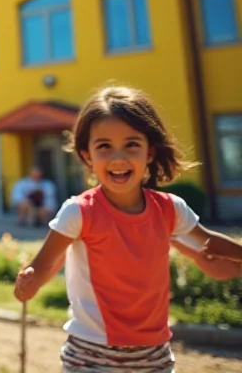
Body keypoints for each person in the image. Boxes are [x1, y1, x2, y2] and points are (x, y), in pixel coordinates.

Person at [14, 86, 242, 372]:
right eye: (104, 146)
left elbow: (209, 244)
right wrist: (28, 285)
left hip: (154, 353)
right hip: (89, 353)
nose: (118, 158)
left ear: (150, 152)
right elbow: (44, 266)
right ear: (87, 156)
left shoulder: (170, 209)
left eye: (132, 144)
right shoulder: (78, 212)